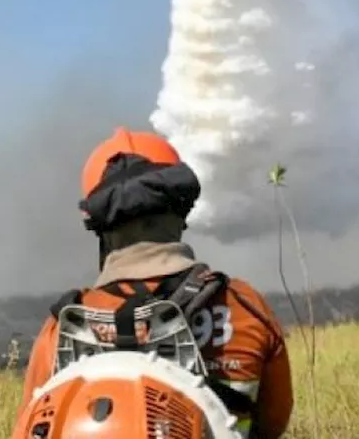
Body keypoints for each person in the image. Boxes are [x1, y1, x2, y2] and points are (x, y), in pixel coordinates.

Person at [17, 127, 293, 438]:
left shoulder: (62, 327)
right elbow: (272, 426)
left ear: (99, 228)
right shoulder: (244, 307)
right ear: (182, 211)